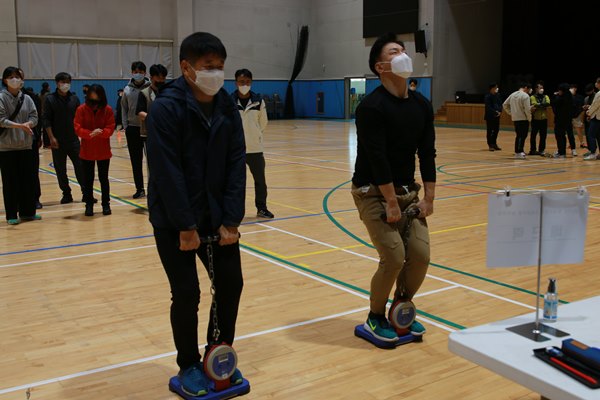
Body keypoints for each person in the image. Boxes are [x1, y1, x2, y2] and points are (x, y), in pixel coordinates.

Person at [146, 32, 246, 396]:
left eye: (220, 67)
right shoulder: (165, 109)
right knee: (187, 292)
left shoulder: (227, 108)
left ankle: (218, 355)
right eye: (208, 67)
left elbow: (236, 164)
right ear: (187, 68)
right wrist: (185, 226)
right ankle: (188, 363)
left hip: (218, 216)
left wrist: (231, 220)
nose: (216, 74)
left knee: (231, 283)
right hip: (174, 219)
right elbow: (166, 172)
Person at [351, 33, 435, 343]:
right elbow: (377, 159)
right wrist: (389, 201)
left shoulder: (421, 105)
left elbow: (427, 153)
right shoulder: (371, 107)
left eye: (403, 50)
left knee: (420, 256)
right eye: (394, 52)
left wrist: (429, 198)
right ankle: (375, 316)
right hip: (373, 191)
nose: (402, 55)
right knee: (394, 257)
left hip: (408, 191)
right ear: (380, 66)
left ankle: (401, 307)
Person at [0, 66, 41, 225]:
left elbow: (34, 117)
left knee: (28, 181)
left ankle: (28, 212)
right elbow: (1, 120)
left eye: (17, 77)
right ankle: (11, 214)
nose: (15, 80)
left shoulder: (27, 98)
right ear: (5, 80)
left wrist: (28, 124)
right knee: (10, 183)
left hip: (26, 146)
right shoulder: (1, 98)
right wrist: (20, 126)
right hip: (6, 148)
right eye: (11, 77)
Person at [231, 68, 274, 219]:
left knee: (260, 181)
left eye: (247, 82)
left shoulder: (258, 101)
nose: (244, 85)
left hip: (255, 148)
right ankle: (234, 211)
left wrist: (254, 135)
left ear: (251, 82)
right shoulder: (229, 101)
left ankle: (262, 208)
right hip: (235, 150)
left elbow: (263, 122)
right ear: (236, 83)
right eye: (241, 82)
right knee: (235, 183)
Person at [43, 72, 91, 204]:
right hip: (57, 141)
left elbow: (80, 118)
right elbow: (46, 119)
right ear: (57, 83)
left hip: (74, 140)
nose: (65, 84)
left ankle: (86, 193)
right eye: (63, 82)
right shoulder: (50, 99)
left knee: (80, 167)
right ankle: (66, 194)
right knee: (60, 169)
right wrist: (51, 137)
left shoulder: (74, 99)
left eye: (68, 82)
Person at [74, 84, 115, 216]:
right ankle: (89, 205)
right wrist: (90, 134)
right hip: (87, 151)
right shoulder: (81, 109)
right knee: (88, 180)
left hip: (103, 150)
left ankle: (106, 204)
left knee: (104, 179)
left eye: (97, 94)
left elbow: (111, 127)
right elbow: (77, 128)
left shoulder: (108, 109)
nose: (94, 96)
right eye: (92, 93)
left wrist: (101, 132)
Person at [121, 61, 151, 199]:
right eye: (135, 72)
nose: (138, 74)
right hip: (132, 129)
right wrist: (126, 126)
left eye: (140, 72)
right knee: (136, 161)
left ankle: (153, 188)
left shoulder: (151, 88)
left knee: (152, 161)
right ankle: (140, 189)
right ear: (132, 72)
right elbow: (124, 109)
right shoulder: (127, 89)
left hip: (149, 128)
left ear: (145, 73)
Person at [136, 64, 167, 152]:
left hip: (167, 132)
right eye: (158, 78)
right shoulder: (144, 93)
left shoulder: (169, 91)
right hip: (150, 133)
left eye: (163, 78)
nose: (161, 80)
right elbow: (140, 112)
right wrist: (155, 119)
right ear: (151, 77)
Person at [503, 82, 531, 159]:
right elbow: (527, 109)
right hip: (523, 119)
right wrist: (529, 118)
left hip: (516, 119)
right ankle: (518, 152)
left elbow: (504, 104)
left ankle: (520, 151)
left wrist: (511, 113)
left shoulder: (513, 94)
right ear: (526, 88)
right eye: (529, 89)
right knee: (522, 135)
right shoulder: (525, 96)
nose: (529, 91)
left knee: (519, 135)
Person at [551, 83, 574, 159]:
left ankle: (561, 153)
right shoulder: (570, 97)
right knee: (563, 136)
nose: (558, 92)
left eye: (559, 90)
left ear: (562, 91)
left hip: (560, 120)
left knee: (559, 136)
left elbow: (553, 104)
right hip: (567, 120)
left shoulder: (560, 98)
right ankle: (562, 152)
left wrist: (555, 95)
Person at [529, 82, 550, 156]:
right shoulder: (532, 97)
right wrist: (542, 105)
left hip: (544, 119)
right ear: (536, 89)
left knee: (543, 136)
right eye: (540, 88)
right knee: (533, 135)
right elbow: (534, 104)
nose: (542, 89)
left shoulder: (546, 96)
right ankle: (533, 150)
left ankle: (541, 150)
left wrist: (539, 105)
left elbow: (548, 103)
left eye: (542, 88)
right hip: (535, 119)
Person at [584, 77, 600, 161]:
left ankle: (593, 153)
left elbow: (595, 106)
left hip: (596, 117)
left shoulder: (599, 94)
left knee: (591, 135)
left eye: (597, 82)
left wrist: (589, 112)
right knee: (599, 136)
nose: (595, 84)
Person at [484, 82, 502, 151]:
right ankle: (490, 145)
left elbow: (500, 104)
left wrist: (500, 111)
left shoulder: (498, 95)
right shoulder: (487, 96)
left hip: (497, 116)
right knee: (490, 131)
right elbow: (488, 107)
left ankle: (494, 144)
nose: (497, 89)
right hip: (490, 116)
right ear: (492, 89)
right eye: (495, 88)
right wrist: (495, 112)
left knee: (496, 130)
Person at [570, 84, 585, 151]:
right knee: (570, 131)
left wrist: (580, 116)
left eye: (573, 88)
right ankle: (571, 143)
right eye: (571, 88)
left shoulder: (579, 97)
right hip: (569, 116)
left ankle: (582, 143)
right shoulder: (568, 97)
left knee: (579, 130)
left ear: (576, 89)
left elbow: (581, 107)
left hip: (577, 116)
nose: (572, 89)